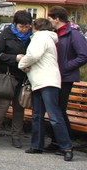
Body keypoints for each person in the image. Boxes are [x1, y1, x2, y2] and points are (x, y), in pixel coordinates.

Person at [19, 18, 74, 161]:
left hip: (45, 81)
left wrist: (22, 63)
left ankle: (66, 147)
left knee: (53, 116)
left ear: (35, 27)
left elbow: (33, 55)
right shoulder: (48, 38)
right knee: (39, 115)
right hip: (41, 81)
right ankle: (38, 145)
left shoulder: (40, 37)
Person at [0, 11, 32, 148]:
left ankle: (16, 136)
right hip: (7, 76)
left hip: (23, 77)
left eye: (27, 26)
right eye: (21, 26)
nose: (24, 29)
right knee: (2, 106)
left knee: (19, 107)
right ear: (15, 24)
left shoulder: (33, 37)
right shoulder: (6, 35)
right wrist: (15, 58)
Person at [47, 6, 87, 144]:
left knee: (59, 110)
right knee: (54, 109)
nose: (49, 21)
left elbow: (83, 56)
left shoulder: (73, 34)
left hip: (65, 77)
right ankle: (55, 141)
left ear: (57, 19)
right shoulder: (54, 32)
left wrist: (65, 67)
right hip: (54, 76)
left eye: (50, 19)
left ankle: (64, 141)